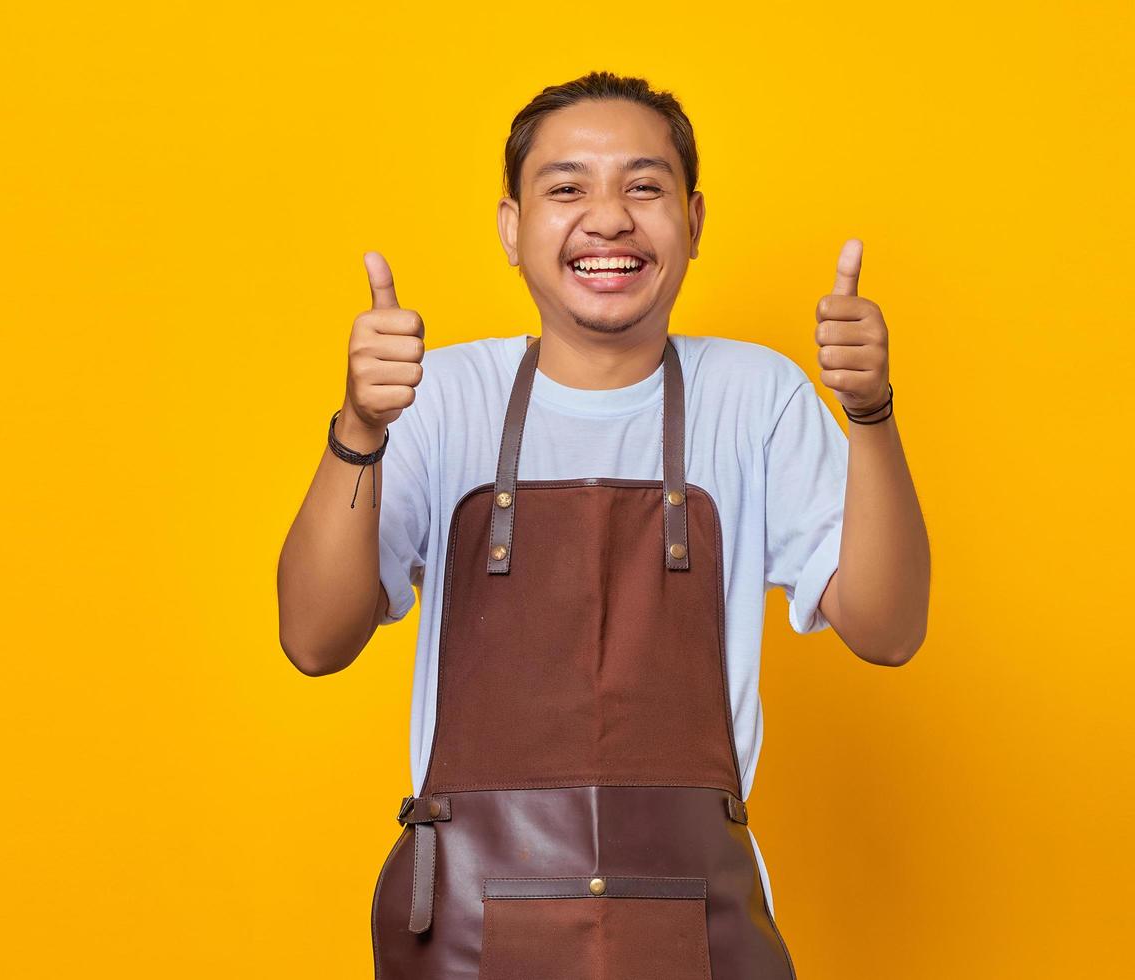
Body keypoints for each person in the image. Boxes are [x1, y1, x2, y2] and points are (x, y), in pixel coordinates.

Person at [276, 70, 930, 979]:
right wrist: (359, 431)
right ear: (511, 227)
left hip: (698, 931)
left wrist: (871, 414)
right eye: (568, 187)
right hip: (464, 934)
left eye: (645, 186)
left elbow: (889, 630)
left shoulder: (757, 396)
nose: (610, 218)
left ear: (693, 221)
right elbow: (313, 640)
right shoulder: (437, 397)